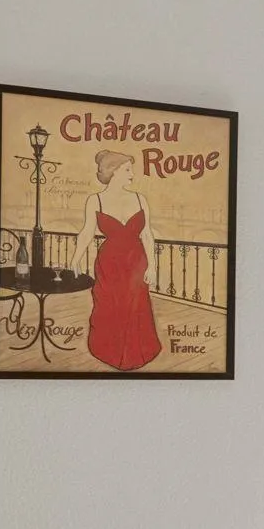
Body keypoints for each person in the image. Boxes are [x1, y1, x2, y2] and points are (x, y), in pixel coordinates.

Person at [72, 149, 162, 371]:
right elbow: (87, 232)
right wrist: (75, 259)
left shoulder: (140, 199)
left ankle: (135, 352)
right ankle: (109, 350)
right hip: (109, 264)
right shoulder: (95, 200)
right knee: (110, 304)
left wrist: (152, 265)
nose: (132, 174)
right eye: (127, 169)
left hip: (136, 262)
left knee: (135, 304)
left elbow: (147, 234)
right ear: (113, 171)